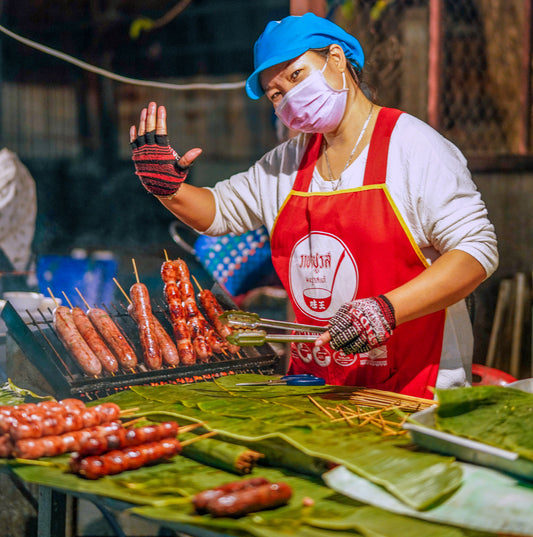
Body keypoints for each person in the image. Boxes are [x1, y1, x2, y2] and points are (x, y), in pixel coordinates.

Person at [129, 13, 498, 398]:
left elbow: (476, 252)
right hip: (319, 389)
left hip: (413, 392)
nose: (287, 97)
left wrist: (385, 310)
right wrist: (167, 188)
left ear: (337, 60)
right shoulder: (286, 163)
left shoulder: (413, 147)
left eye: (295, 76)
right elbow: (219, 211)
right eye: (275, 94)